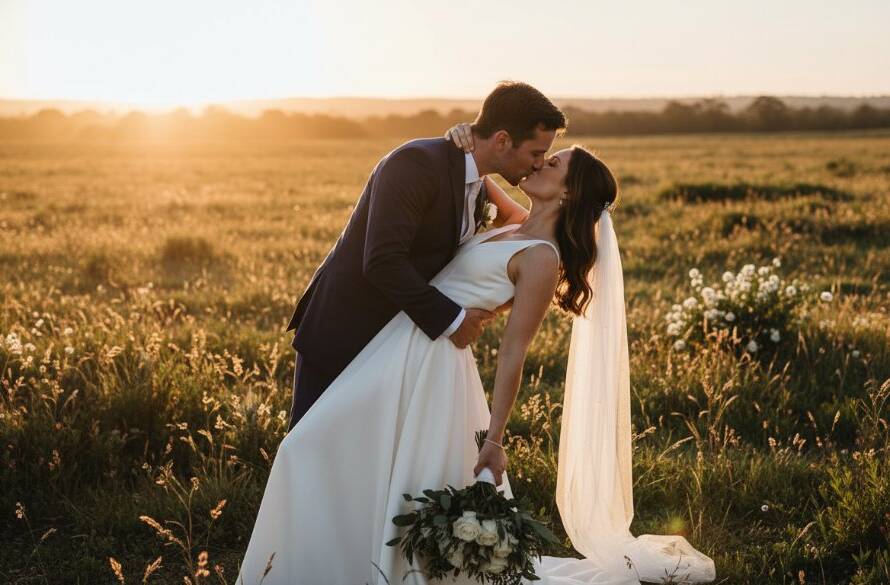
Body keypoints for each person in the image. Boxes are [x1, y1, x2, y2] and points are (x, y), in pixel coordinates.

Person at [237, 121, 717, 583]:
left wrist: (495, 439)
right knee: (332, 449)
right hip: (395, 344)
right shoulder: (513, 222)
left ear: (568, 193)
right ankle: (332, 563)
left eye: (551, 164)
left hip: (434, 364)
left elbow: (513, 354)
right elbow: (471, 172)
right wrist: (458, 136)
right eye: (541, 155)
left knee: (316, 448)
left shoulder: (540, 259)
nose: (539, 165)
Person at [283, 81, 566, 432]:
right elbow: (383, 261)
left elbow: (524, 227)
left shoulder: (478, 181)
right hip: (345, 328)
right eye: (536, 153)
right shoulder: (414, 163)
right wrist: (454, 320)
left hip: (396, 341)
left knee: (361, 456)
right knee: (310, 445)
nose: (538, 165)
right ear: (503, 140)